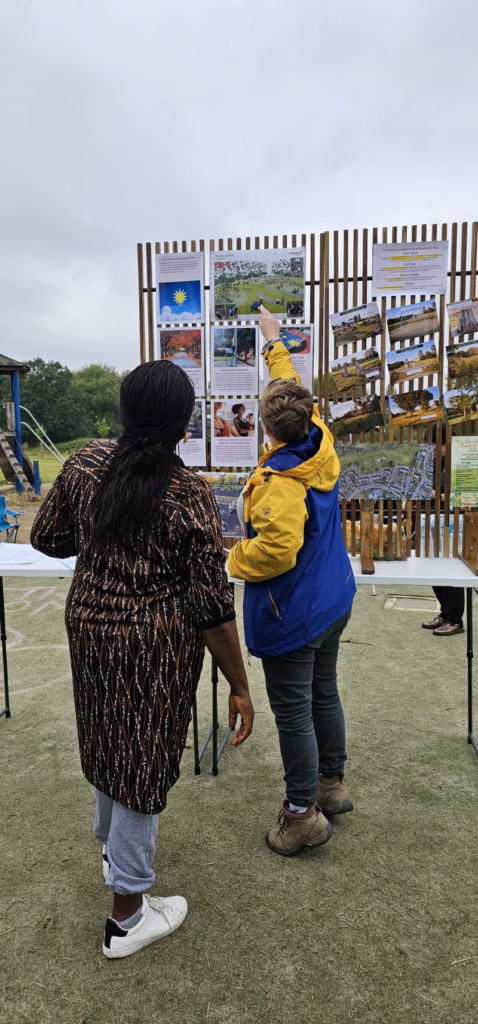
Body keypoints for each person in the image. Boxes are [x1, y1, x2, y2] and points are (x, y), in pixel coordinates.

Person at [31, 360, 254, 958]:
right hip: (153, 646)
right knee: (143, 761)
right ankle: (127, 916)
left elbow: (47, 539)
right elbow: (212, 606)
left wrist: (102, 533)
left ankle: (113, 853)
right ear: (184, 426)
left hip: (91, 632)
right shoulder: (189, 494)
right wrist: (240, 683)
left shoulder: (81, 466)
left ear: (123, 412)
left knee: (109, 738)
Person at [228, 307, 356, 857]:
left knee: (294, 709)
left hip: (296, 612)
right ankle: (333, 785)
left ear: (264, 425)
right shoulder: (319, 439)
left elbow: (276, 553)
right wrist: (275, 342)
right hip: (332, 599)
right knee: (323, 692)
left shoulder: (281, 481)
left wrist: (232, 558)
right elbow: (294, 392)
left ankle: (302, 812)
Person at [422, 423, 464, 636]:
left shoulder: (460, 460)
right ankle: (445, 613)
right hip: (432, 519)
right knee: (434, 567)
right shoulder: (434, 462)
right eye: (431, 444)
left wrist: (441, 496)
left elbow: (466, 493)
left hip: (454, 522)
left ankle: (455, 619)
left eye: (437, 444)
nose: (434, 448)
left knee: (450, 569)